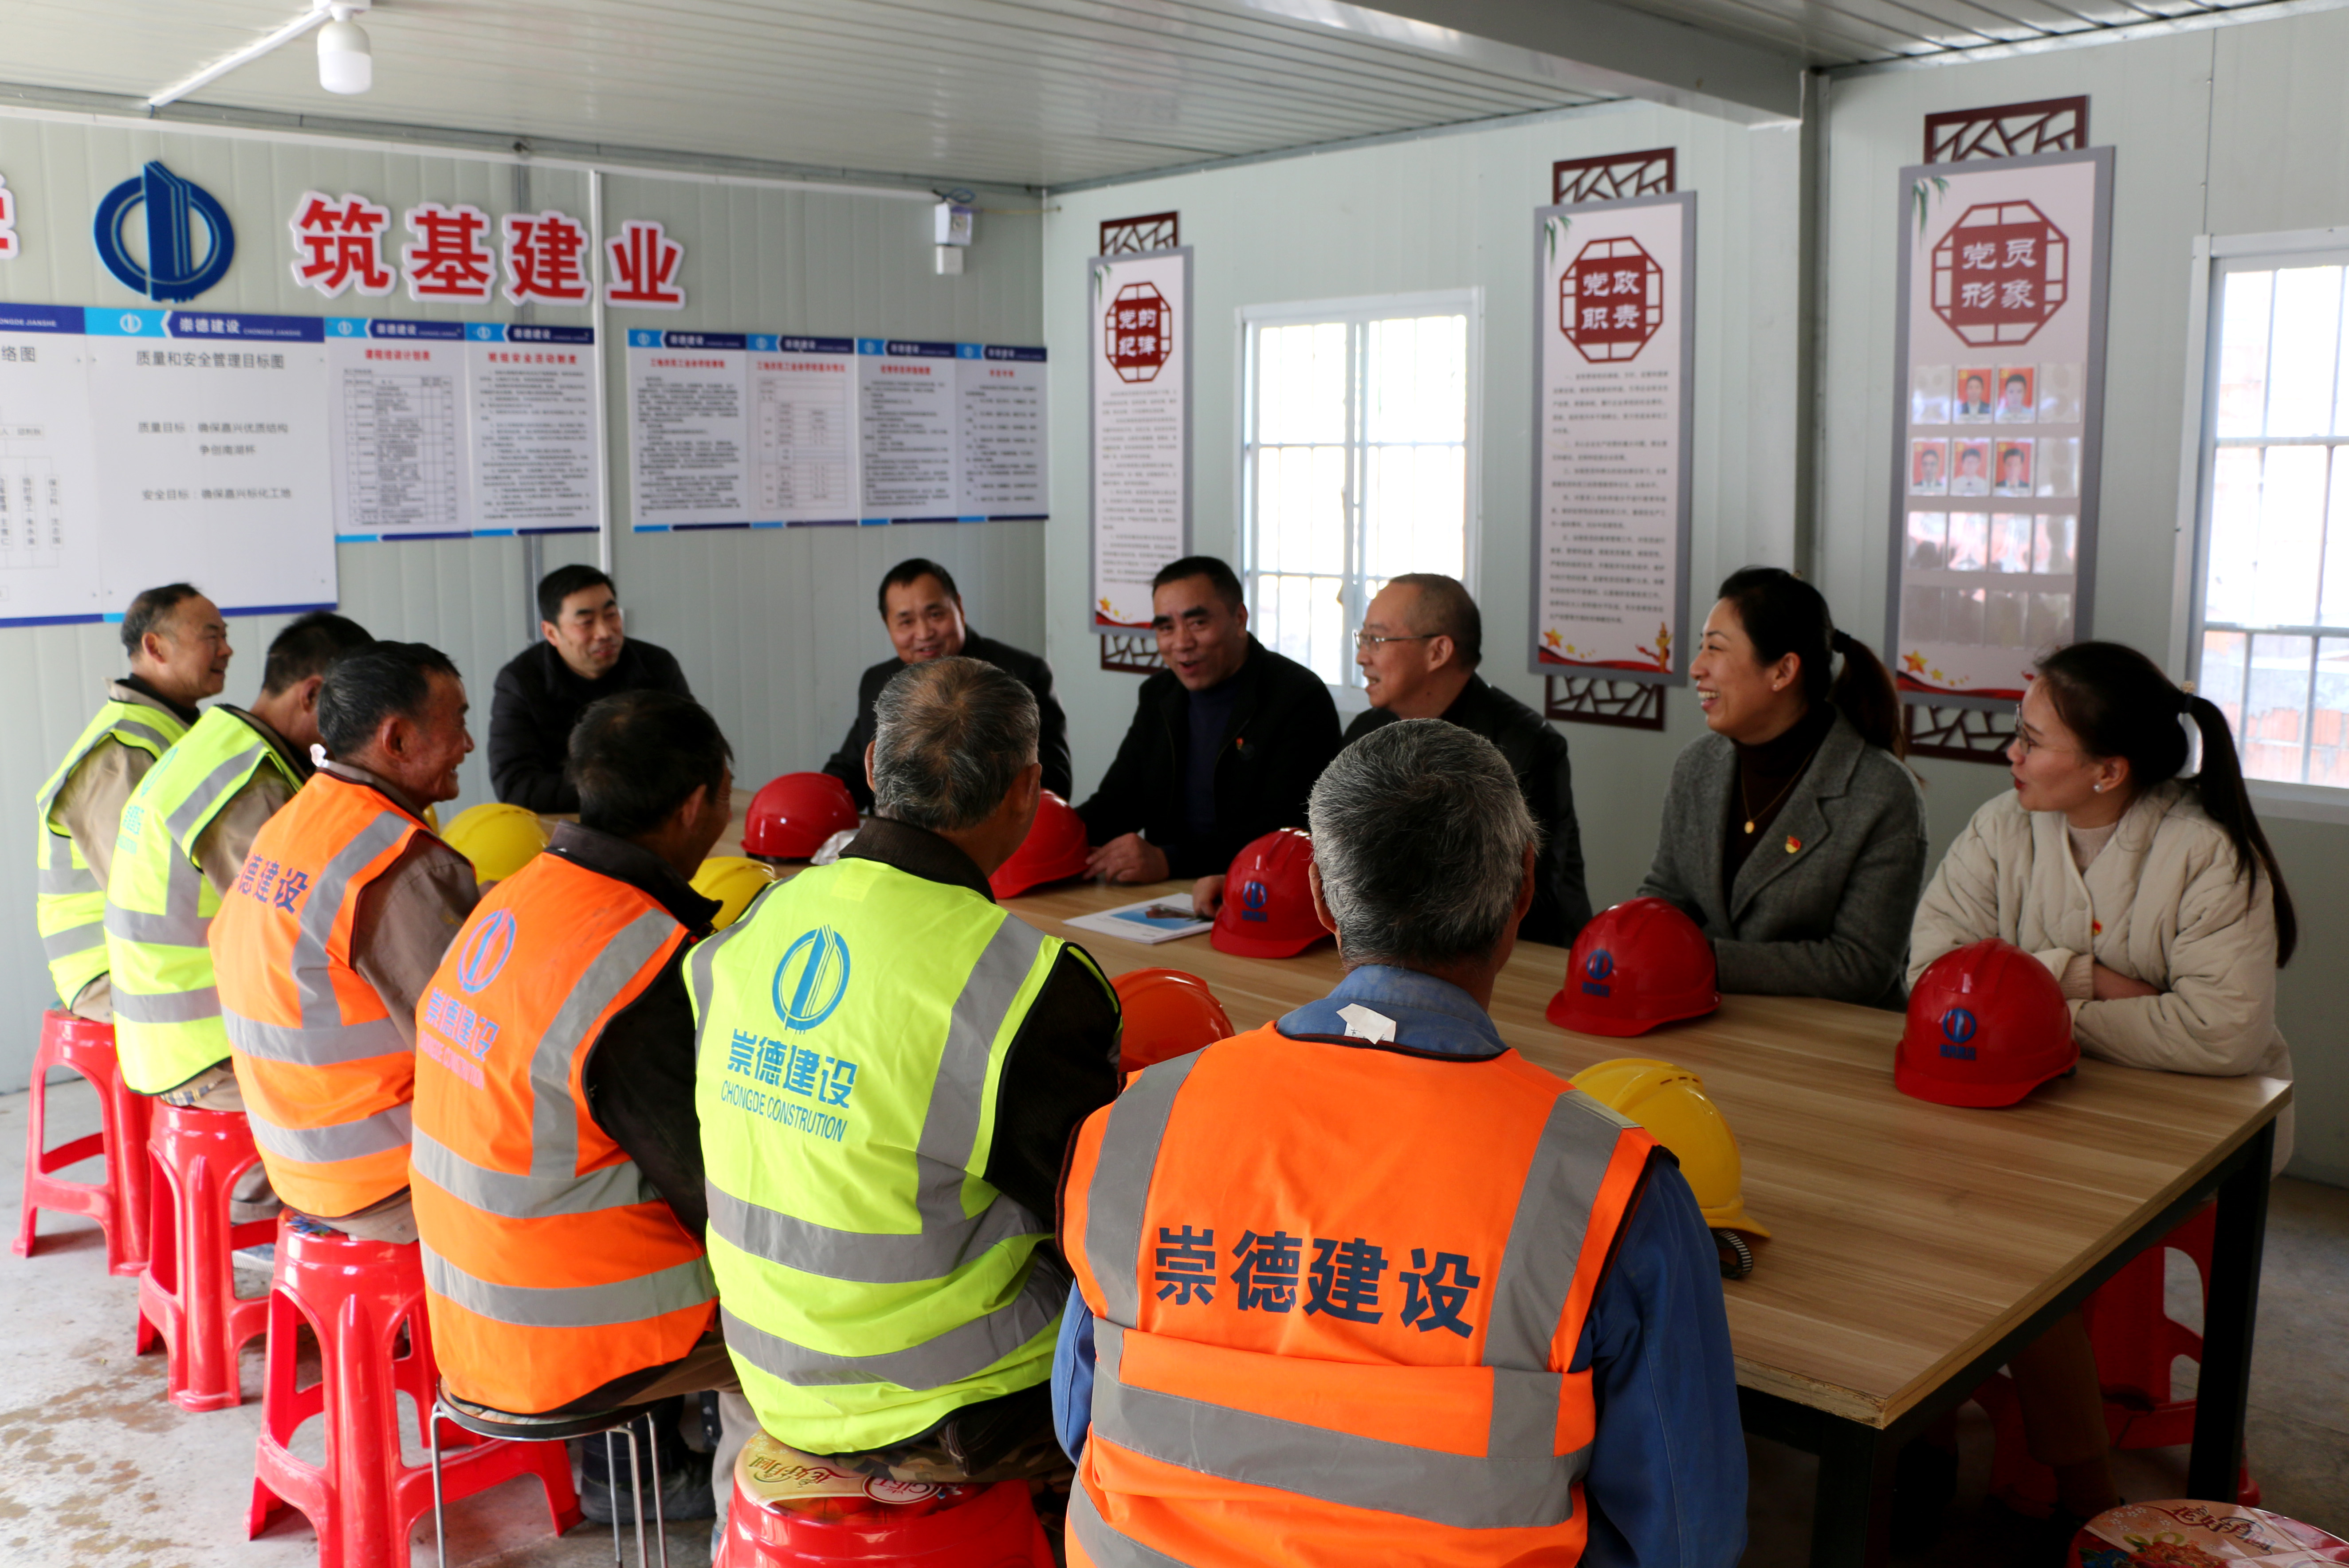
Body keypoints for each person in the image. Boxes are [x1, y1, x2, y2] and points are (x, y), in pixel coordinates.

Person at [1052, 719, 1746, 1567]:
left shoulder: (1137, 1123)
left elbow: (1080, 1421)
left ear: (1320, 895)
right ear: (1523, 888)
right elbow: (1686, 1536)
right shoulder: (1611, 1186)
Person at [692, 657, 1119, 1515]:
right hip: (948, 1405)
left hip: (765, 1365)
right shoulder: (1027, 984)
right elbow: (1099, 1221)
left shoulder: (751, 927)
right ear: (1028, 790)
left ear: (872, 766)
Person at [1901, 640, 2299, 1532]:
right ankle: (1925, 1439)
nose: (2009, 752)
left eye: (2031, 739)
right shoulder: (2000, 828)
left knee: (2026, 1256)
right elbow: (1928, 980)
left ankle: (2082, 1502)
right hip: (2027, 1103)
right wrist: (2090, 980)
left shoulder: (2204, 851)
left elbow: (2221, 1033)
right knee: (1921, 1215)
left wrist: (2025, 997)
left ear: (2107, 771)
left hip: (2187, 1124)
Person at [413, 690, 740, 1524]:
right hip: (572, 1336)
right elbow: (719, 1192)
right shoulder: (641, 959)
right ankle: (723, 1502)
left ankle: (645, 1465)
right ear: (697, 804)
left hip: (467, 1309)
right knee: (808, 1296)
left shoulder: (517, 895)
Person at [211, 643, 480, 1245]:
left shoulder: (298, 817)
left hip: (299, 1162)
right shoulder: (401, 864)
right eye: (458, 723)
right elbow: (472, 1051)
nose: (468, 744)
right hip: (389, 1178)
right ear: (397, 740)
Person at [106, 612, 374, 1112]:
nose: (358, 736)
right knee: (406, 1076)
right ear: (313, 695)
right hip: (209, 1053)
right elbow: (291, 932)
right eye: (356, 715)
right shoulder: (249, 783)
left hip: (176, 1038)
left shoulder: (219, 745)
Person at [1638, 568, 1927, 1008]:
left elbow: (1863, 965)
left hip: (1828, 1035)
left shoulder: (1881, 791)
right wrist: (1636, 939)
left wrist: (1701, 958)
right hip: (1703, 1016)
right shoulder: (1697, 765)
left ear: (1783, 671)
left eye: (1715, 648)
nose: (1696, 667)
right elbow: (1666, 894)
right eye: (1701, 647)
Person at [1338, 572, 1592, 945]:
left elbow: (1528, 896)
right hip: (1390, 945)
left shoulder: (1526, 747)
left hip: (1516, 952)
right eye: (1363, 639)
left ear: (1438, 652)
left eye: (1377, 640)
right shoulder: (1366, 733)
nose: (1362, 657)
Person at [1076, 556, 1341, 897]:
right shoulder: (1159, 695)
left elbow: (1286, 829)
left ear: (1239, 619)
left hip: (1259, 893)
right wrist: (1049, 836)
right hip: (1164, 894)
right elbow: (1118, 801)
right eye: (1166, 628)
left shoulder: (1298, 697)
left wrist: (1169, 860)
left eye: (1198, 623)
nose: (1181, 643)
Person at [35, 584, 228, 1020]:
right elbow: (140, 893)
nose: (227, 649)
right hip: (113, 974)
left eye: (226, 635)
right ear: (155, 647)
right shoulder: (122, 750)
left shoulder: (172, 732)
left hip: (155, 956)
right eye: (211, 636)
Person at [820, 557, 1071, 808]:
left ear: (959, 607)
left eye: (935, 615)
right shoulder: (878, 681)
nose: (924, 633)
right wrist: (818, 799)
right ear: (888, 625)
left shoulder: (1022, 673)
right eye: (906, 622)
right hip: (896, 832)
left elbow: (1055, 781)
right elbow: (852, 770)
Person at [489, 565, 691, 811]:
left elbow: (697, 753)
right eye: (586, 623)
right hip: (565, 823)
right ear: (551, 633)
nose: (605, 633)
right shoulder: (521, 682)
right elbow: (517, 787)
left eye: (611, 615)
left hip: (655, 818)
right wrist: (625, 789)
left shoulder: (658, 666)